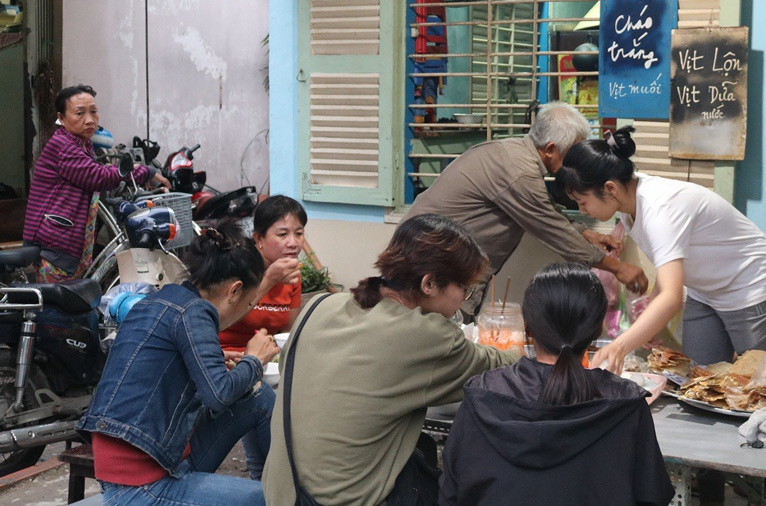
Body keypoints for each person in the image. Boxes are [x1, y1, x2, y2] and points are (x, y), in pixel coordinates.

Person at [262, 214, 520, 506]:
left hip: (283, 492)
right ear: (430, 283)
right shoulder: (425, 335)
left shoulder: (321, 304)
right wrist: (532, 347)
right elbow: (500, 367)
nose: (464, 298)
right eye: (465, 288)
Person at [79, 219, 279, 506]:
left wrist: (213, 357)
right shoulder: (195, 312)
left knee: (258, 397)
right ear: (234, 291)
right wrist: (254, 360)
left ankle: (282, 484)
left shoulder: (162, 300)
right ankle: (286, 494)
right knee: (266, 499)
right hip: (139, 486)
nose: (245, 311)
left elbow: (155, 361)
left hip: (160, 460)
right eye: (248, 304)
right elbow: (218, 395)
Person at [438, 263, 674, 506]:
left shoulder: (483, 394)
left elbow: (451, 493)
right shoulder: (626, 404)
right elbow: (652, 497)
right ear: (597, 329)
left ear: (527, 327)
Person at [556, 127, 766, 373]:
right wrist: (645, 324)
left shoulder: (659, 209)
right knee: (697, 378)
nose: (582, 211)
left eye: (583, 202)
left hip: (750, 283)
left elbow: (672, 297)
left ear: (610, 188)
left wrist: (621, 345)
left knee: (762, 383)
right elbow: (667, 278)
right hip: (705, 289)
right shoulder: (627, 206)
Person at [407, 101, 647, 315]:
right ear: (551, 148)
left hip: (437, 262)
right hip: (431, 268)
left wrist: (589, 234)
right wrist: (618, 268)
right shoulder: (518, 171)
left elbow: (543, 210)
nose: (575, 165)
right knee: (435, 344)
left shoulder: (512, 152)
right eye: (571, 155)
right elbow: (552, 230)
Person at [23, 84, 170, 283]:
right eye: (79, 113)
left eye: (93, 112)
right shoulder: (63, 146)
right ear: (62, 118)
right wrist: (146, 171)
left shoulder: (81, 144)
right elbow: (98, 176)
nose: (90, 120)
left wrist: (132, 170)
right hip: (55, 245)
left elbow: (98, 172)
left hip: (66, 242)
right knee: (61, 304)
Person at [219, 195, 305, 479]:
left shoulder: (292, 273)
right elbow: (222, 317)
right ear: (258, 238)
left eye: (299, 233)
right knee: (267, 402)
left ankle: (269, 478)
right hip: (228, 360)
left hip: (267, 364)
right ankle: (266, 478)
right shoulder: (239, 267)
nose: (293, 242)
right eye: (282, 234)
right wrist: (269, 279)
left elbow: (287, 332)